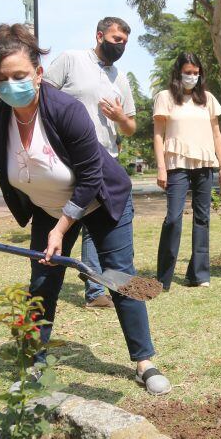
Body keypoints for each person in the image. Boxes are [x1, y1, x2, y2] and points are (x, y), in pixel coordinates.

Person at [0, 24, 169, 394]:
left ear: (39, 74)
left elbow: (92, 176)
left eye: (20, 75)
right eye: (3, 78)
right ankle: (34, 365)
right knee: (43, 283)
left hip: (101, 198)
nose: (12, 83)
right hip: (49, 204)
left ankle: (144, 361)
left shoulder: (66, 110)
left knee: (119, 277)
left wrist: (61, 230)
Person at [44, 17, 136, 309]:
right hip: (68, 160)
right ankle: (50, 288)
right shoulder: (71, 60)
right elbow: (43, 96)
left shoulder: (120, 78)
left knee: (97, 227)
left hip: (105, 162)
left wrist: (120, 119)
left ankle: (97, 290)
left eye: (124, 41)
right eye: (115, 39)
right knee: (72, 223)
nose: (120, 45)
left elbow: (131, 126)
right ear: (99, 36)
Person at [153, 52, 221, 290]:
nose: (192, 77)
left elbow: (217, 134)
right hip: (176, 166)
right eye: (188, 72)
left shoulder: (208, 99)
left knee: (202, 218)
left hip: (205, 165)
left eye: (196, 73)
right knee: (173, 219)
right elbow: (158, 134)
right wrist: (161, 168)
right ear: (178, 73)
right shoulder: (165, 98)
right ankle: (163, 277)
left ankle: (199, 274)